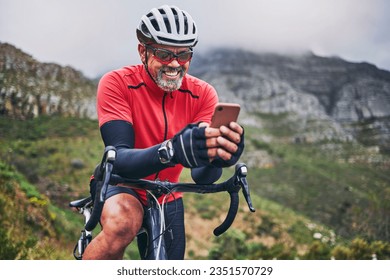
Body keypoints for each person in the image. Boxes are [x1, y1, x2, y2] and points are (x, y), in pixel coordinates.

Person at [83, 5, 244, 260]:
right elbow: (120, 158)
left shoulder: (203, 94)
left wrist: (217, 157)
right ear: (142, 51)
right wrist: (171, 151)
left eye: (183, 55)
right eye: (163, 53)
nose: (174, 64)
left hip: (168, 194)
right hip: (122, 185)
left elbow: (203, 177)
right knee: (122, 224)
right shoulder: (116, 83)